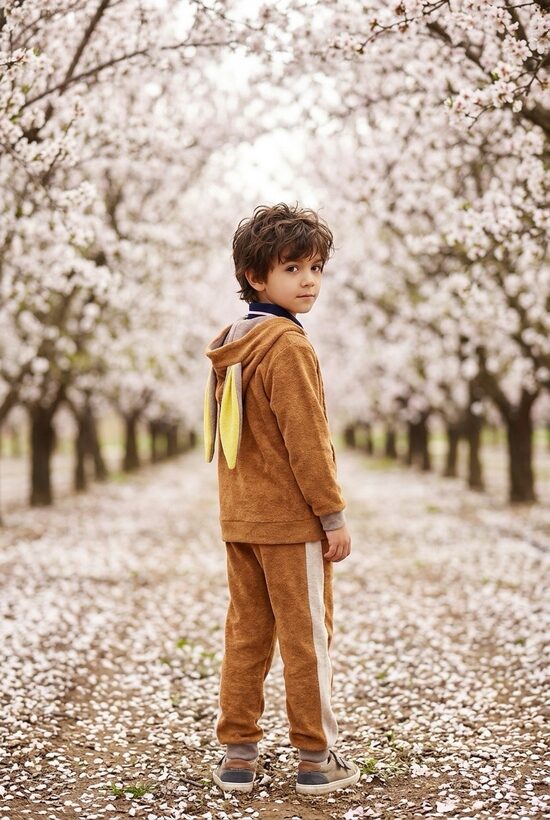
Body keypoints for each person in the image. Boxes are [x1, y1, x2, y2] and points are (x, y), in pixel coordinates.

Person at [203, 203, 360, 796]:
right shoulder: (287, 344)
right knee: (305, 638)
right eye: (293, 268)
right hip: (290, 525)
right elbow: (306, 440)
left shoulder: (232, 341)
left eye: (316, 267)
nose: (310, 280)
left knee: (246, 634)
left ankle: (238, 755)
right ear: (254, 275)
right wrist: (332, 515)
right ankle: (316, 758)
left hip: (240, 517)